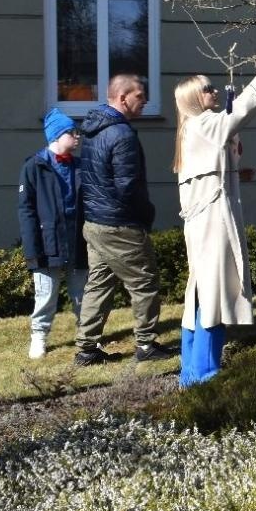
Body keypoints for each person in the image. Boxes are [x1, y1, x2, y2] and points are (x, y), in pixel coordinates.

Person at [171, 48, 256, 387]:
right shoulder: (203, 124)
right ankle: (203, 374)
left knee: (201, 292)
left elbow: (220, 150)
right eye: (207, 88)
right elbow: (237, 115)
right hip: (211, 222)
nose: (215, 91)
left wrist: (236, 168)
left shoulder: (192, 127)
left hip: (203, 221)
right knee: (214, 294)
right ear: (194, 98)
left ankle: (190, 371)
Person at [77, 73, 170, 366]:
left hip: (95, 222)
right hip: (120, 223)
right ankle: (146, 344)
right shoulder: (122, 134)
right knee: (144, 282)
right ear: (122, 97)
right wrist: (146, 214)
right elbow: (128, 186)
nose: (145, 101)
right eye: (139, 96)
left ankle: (86, 350)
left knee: (99, 284)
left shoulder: (92, 130)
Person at [17, 109, 86, 360]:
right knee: (45, 294)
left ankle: (87, 336)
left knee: (82, 294)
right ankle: (39, 336)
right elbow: (26, 210)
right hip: (48, 242)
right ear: (56, 136)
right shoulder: (34, 166)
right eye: (72, 132)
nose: (78, 136)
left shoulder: (80, 166)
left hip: (77, 238)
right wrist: (32, 249)